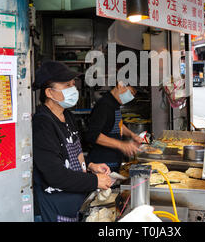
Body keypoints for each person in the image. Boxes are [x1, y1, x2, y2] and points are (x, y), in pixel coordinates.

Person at [32, 61, 112, 222]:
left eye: (73, 84)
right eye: (66, 85)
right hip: (53, 207)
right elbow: (54, 175)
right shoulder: (42, 124)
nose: (73, 89)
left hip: (74, 203)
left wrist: (90, 165)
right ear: (49, 92)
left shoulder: (67, 116)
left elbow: (73, 154)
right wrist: (94, 180)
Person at [84, 81, 143, 173]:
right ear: (120, 85)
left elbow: (118, 124)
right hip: (102, 165)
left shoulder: (114, 103)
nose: (131, 97)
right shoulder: (104, 105)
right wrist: (122, 145)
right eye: (131, 93)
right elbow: (93, 135)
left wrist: (132, 135)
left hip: (113, 162)